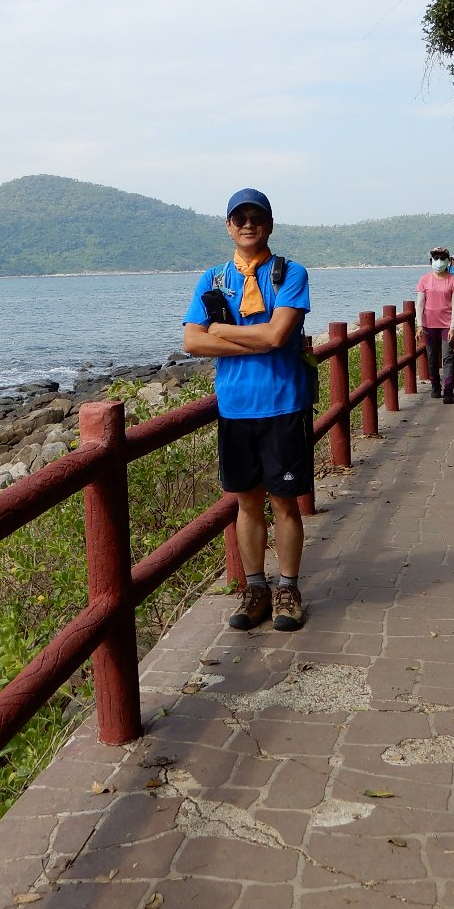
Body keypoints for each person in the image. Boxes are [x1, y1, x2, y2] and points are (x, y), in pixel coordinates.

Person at [183, 188, 314, 633]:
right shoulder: (214, 279)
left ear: (269, 224)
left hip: (283, 403)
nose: (248, 224)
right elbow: (191, 340)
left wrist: (220, 331)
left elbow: (277, 336)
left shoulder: (290, 274)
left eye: (256, 217)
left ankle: (288, 589)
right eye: (239, 218)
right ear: (228, 226)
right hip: (235, 407)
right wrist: (252, 340)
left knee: (285, 503)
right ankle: (256, 588)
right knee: (246, 503)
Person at [415, 247, 454, 404]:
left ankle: (448, 390)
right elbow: (420, 304)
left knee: (447, 356)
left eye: (442, 258)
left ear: (448, 261)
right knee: (432, 356)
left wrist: (453, 327)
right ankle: (435, 386)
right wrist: (420, 324)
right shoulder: (424, 280)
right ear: (431, 261)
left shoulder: (453, 280)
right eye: (436, 258)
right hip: (429, 325)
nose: (439, 261)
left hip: (446, 325)